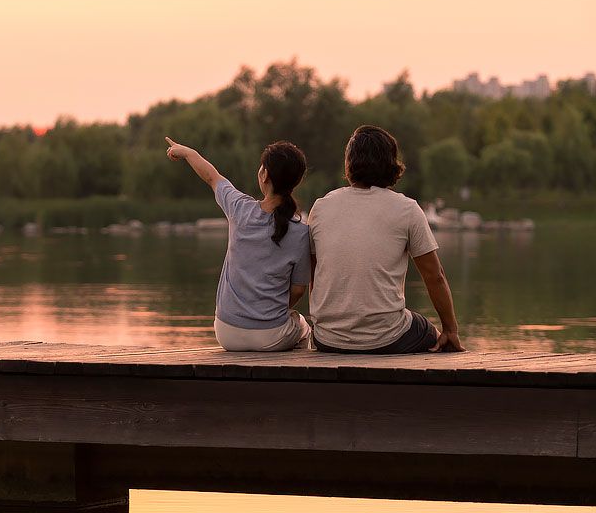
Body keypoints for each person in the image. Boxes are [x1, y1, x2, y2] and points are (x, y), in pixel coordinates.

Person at [308, 125, 464, 354]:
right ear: (391, 164)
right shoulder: (407, 209)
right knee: (429, 331)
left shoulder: (320, 207)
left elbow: (313, 273)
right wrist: (451, 330)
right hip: (386, 338)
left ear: (349, 164)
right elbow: (435, 276)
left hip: (327, 338)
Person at [165, 136, 312, 351]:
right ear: (296, 181)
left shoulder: (239, 209)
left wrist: (187, 153)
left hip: (227, 332)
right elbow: (298, 290)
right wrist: (270, 313)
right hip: (271, 336)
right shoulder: (300, 231)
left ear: (264, 175)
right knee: (303, 327)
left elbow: (212, 177)